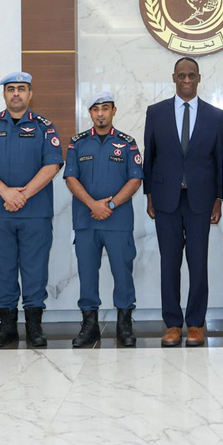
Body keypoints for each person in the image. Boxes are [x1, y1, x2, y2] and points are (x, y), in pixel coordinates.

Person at [0, 72, 63, 348]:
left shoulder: (46, 127)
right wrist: (5, 192)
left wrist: (23, 195)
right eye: (11, 89)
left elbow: (53, 165)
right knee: (2, 269)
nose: (16, 93)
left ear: (30, 94)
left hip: (35, 213)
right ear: (4, 94)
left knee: (35, 270)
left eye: (21, 89)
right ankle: (7, 326)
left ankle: (34, 327)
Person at [143, 57, 223, 347]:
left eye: (192, 75)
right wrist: (149, 195)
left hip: (201, 201)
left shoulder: (215, 116)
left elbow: (220, 162)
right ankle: (173, 324)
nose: (187, 80)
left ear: (199, 78)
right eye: (182, 75)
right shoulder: (156, 113)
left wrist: (219, 198)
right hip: (165, 199)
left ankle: (195, 323)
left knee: (198, 262)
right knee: (170, 263)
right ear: (174, 78)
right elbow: (150, 156)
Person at [64, 91, 144, 348]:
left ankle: (124, 325)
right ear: (90, 113)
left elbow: (135, 179)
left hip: (117, 221)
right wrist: (92, 204)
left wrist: (109, 204)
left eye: (105, 108)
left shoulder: (127, 142)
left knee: (122, 272)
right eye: (95, 109)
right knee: (87, 274)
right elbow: (71, 178)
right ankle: (90, 326)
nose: (100, 113)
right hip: (86, 220)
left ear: (113, 111)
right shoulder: (77, 143)